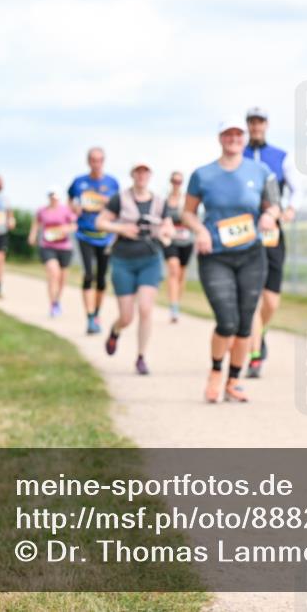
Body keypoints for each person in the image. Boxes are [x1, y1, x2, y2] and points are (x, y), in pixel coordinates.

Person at [182, 118, 281, 403]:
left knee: (245, 323)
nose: (234, 138)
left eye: (238, 134)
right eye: (228, 134)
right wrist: (199, 230)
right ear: (220, 138)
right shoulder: (203, 174)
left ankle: (234, 380)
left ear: (245, 137)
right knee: (226, 321)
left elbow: (274, 204)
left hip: (251, 255)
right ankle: (215, 372)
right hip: (215, 256)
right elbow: (186, 213)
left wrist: (268, 215)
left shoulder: (260, 171)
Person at [95, 164, 174, 375]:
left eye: (145, 172)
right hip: (123, 260)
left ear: (150, 175)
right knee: (127, 316)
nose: (141, 176)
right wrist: (122, 228)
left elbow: (168, 225)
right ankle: (115, 331)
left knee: (146, 309)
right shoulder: (119, 199)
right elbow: (100, 222)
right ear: (132, 175)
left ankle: (141, 357)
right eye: (138, 172)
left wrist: (166, 231)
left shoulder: (159, 202)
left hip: (150, 259)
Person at [243, 107, 302, 378]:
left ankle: (261, 331)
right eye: (251, 122)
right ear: (247, 126)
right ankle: (254, 356)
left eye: (259, 122)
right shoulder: (238, 155)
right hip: (244, 232)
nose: (255, 127)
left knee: (271, 301)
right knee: (253, 297)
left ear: (266, 124)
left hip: (272, 231)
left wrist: (290, 209)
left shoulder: (280, 156)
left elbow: (296, 188)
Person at [69, 147, 120, 334]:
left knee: (101, 278)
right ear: (88, 161)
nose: (96, 163)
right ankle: (89, 316)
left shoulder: (112, 183)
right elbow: (70, 200)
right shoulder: (79, 182)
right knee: (88, 274)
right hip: (84, 234)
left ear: (103, 161)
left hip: (105, 237)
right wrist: (74, 209)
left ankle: (97, 313)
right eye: (93, 160)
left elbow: (119, 207)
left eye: (99, 160)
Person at [28, 186, 78, 317]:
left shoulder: (65, 210)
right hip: (47, 245)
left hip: (64, 247)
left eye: (55, 196)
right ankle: (52, 303)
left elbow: (74, 225)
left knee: (62, 278)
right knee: (53, 273)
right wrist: (32, 236)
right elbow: (36, 224)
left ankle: (57, 300)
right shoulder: (42, 211)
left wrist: (66, 229)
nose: (53, 199)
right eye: (51, 196)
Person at [161, 171, 194, 323]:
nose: (176, 183)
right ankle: (173, 307)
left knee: (181, 273)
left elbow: (193, 219)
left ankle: (177, 303)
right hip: (170, 241)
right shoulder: (164, 201)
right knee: (173, 269)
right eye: (174, 180)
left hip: (186, 240)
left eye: (179, 181)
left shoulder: (187, 200)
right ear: (170, 181)